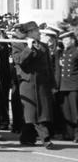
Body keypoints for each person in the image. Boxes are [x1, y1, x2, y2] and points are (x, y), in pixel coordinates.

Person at [11, 21, 56, 149]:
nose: (39, 33)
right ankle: (45, 138)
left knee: (41, 111)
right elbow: (20, 61)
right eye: (36, 31)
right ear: (29, 33)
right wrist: (29, 48)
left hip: (42, 83)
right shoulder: (18, 44)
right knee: (32, 111)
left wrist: (52, 84)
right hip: (28, 83)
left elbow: (48, 67)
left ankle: (26, 138)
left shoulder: (43, 46)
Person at [56, 31, 78, 142]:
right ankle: (69, 133)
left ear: (73, 40)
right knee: (66, 112)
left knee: (75, 112)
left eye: (66, 39)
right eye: (63, 40)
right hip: (63, 86)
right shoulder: (61, 52)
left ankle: (77, 134)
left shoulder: (76, 51)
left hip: (74, 85)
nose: (64, 41)